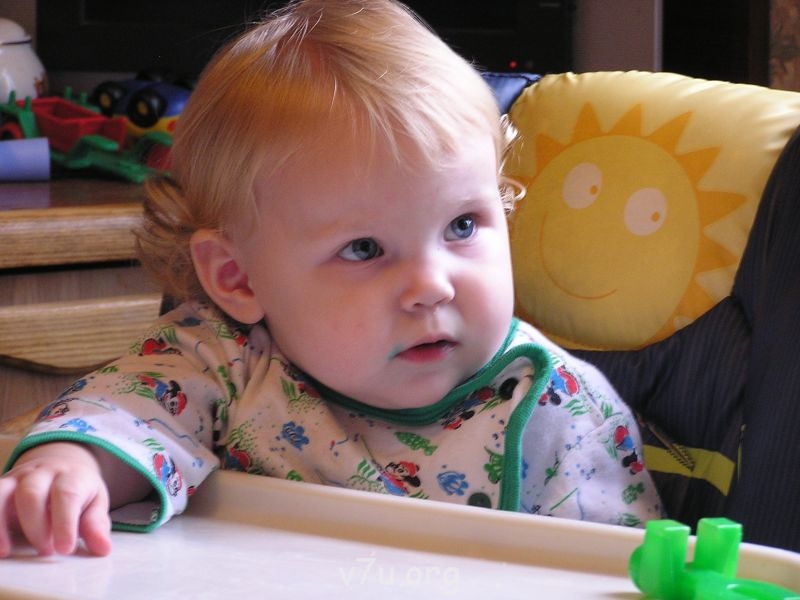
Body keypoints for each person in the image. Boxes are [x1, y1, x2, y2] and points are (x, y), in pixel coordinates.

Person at [0, 0, 661, 558]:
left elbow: (618, 573)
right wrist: (71, 470)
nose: (432, 286)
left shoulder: (556, 408)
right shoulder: (224, 359)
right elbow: (124, 414)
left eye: (462, 226)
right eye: (365, 248)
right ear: (238, 279)